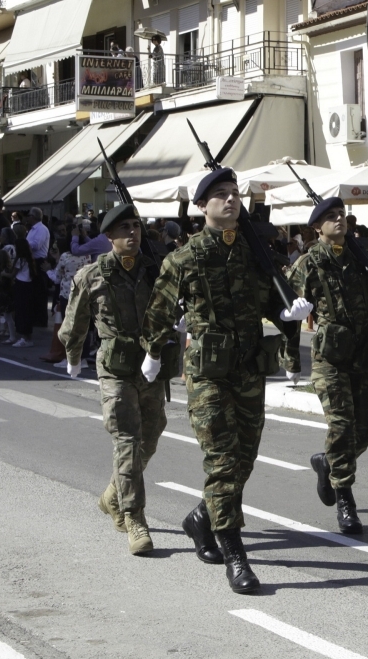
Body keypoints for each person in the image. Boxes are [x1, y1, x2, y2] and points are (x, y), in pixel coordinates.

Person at [139, 168, 311, 594]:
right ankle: (235, 553)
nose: (231, 201)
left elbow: (277, 300)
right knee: (221, 461)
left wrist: (291, 318)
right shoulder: (186, 257)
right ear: (202, 207)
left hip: (250, 369)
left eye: (235, 194)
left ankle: (201, 518)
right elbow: (160, 310)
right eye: (220, 195)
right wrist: (153, 351)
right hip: (208, 374)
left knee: (243, 461)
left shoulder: (256, 252)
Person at [59, 205, 165, 555]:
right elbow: (74, 324)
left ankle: (112, 495)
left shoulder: (154, 271)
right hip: (115, 370)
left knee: (151, 434)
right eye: (124, 228)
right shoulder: (93, 275)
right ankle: (134, 518)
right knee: (127, 442)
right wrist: (73, 358)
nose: (133, 233)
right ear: (109, 237)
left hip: (150, 366)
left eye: (136, 226)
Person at [287, 197, 368, 534]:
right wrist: (290, 356)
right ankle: (345, 498)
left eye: (341, 214)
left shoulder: (361, 255)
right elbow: (287, 305)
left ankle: (328, 462)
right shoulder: (310, 262)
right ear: (317, 227)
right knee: (342, 427)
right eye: (330, 217)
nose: (339, 220)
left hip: (362, 354)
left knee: (367, 428)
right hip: (329, 358)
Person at [9, 238, 37, 347]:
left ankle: (23, 337)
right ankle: (28, 337)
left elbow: (12, 273)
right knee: (27, 311)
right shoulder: (30, 259)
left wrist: (3, 274)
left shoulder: (20, 259)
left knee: (21, 311)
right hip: (28, 285)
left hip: (21, 284)